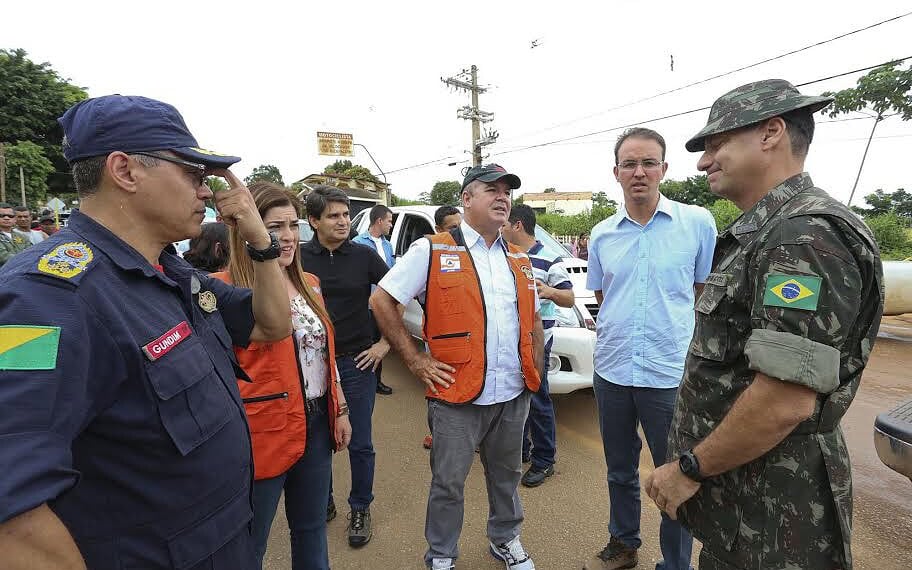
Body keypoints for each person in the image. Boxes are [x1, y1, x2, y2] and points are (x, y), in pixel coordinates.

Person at [0, 94, 292, 569]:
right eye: (193, 174)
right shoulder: (45, 298)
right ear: (125, 171)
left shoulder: (170, 273)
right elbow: (11, 510)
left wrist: (259, 237)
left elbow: (271, 324)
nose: (207, 192)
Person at [644, 80, 884, 570]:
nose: (703, 161)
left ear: (771, 133)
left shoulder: (801, 236)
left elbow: (783, 400)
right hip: (746, 505)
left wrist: (689, 468)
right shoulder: (771, 231)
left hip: (776, 518)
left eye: (716, 144)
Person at [371, 164, 544, 570]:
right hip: (456, 395)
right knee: (448, 484)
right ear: (467, 199)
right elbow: (382, 300)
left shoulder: (519, 259)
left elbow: (532, 320)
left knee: (506, 477)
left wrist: (535, 373)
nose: (503, 197)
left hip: (512, 393)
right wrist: (414, 360)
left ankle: (505, 539)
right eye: (492, 190)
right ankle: (442, 554)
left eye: (507, 191)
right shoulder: (431, 249)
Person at [583, 127, 717, 570]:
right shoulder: (602, 234)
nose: (639, 172)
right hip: (613, 373)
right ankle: (623, 544)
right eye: (629, 164)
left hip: (668, 374)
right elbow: (604, 298)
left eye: (648, 163)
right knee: (619, 470)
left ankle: (675, 563)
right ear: (616, 173)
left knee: (675, 475)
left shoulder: (696, 223)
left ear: (664, 168)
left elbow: (700, 292)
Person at [212, 182, 353, 570]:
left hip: (316, 422)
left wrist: (338, 409)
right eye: (274, 228)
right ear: (247, 230)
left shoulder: (309, 284)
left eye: (292, 225)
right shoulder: (223, 291)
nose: (288, 237)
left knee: (310, 529)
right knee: (249, 541)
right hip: (260, 430)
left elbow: (325, 353)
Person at [298, 185, 390, 547]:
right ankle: (325, 500)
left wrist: (384, 344)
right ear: (314, 220)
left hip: (357, 362)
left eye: (345, 214)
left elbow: (396, 296)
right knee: (319, 439)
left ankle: (360, 507)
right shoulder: (298, 258)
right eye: (333, 215)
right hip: (311, 363)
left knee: (360, 441)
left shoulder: (365, 257)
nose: (342, 221)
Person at [502, 203, 574, 487]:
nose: (501, 229)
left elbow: (569, 298)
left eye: (504, 224)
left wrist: (548, 291)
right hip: (510, 340)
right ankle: (519, 450)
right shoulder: (505, 254)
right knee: (514, 396)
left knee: (538, 397)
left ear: (517, 225)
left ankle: (544, 459)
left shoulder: (549, 258)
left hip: (537, 342)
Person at [422, 205, 465, 450]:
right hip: (439, 342)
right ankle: (437, 434)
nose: (459, 232)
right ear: (438, 229)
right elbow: (392, 300)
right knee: (439, 389)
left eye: (461, 226)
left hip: (466, 341)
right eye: (453, 227)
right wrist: (414, 357)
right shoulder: (430, 254)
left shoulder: (468, 253)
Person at [352, 204, 396, 396]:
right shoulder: (357, 242)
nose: (391, 225)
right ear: (379, 221)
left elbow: (392, 273)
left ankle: (376, 381)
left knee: (379, 342)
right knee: (364, 343)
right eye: (389, 221)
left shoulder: (388, 245)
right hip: (365, 305)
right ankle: (361, 380)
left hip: (382, 304)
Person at [0, 202, 31, 267]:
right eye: (1, 216)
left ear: (14, 219)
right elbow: (3, 257)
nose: (6, 218)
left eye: (10, 216)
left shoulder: (23, 236)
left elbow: (32, 252)